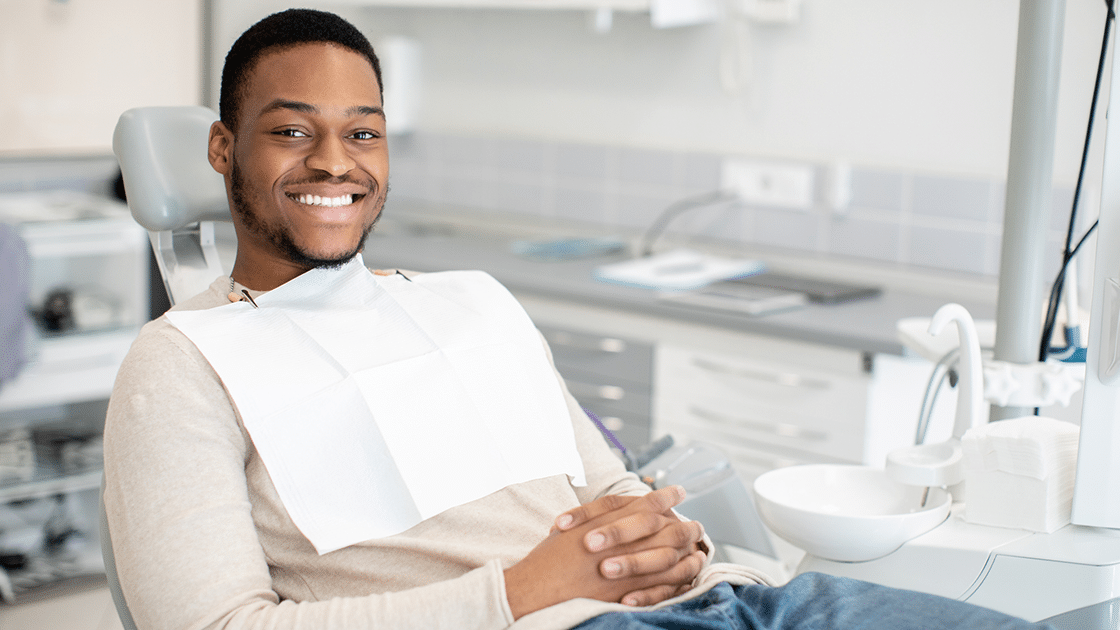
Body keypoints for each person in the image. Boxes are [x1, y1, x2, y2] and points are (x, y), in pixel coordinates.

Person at [102, 9, 1054, 630]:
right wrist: (526, 590)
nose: (333, 161)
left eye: (362, 132)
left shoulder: (470, 301)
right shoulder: (185, 359)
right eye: (291, 130)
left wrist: (675, 540)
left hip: (741, 607)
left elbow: (610, 491)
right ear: (224, 149)